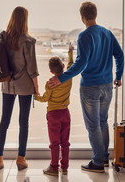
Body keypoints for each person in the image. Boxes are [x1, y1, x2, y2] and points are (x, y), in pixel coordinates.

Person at [48, 1, 124, 173]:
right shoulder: (107, 33)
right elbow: (120, 55)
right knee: (103, 121)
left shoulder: (84, 36)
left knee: (93, 125)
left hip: (90, 87)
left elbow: (80, 64)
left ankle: (97, 162)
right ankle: (103, 157)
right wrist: (118, 76)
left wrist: (62, 78)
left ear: (82, 17)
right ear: (95, 14)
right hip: (106, 86)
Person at [0, 6, 39, 171]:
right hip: (25, 86)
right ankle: (21, 158)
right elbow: (32, 68)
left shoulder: (3, 38)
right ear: (25, 20)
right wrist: (36, 87)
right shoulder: (28, 41)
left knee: (4, 121)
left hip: (7, 85)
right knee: (23, 122)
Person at [34, 43, 74, 176]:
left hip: (53, 115)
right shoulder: (68, 78)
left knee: (54, 143)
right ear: (62, 66)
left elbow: (45, 98)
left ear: (51, 71)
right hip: (65, 113)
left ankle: (54, 167)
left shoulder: (50, 83)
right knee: (65, 142)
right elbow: (71, 64)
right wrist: (70, 51)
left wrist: (35, 97)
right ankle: (65, 167)